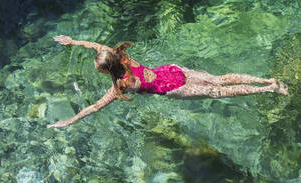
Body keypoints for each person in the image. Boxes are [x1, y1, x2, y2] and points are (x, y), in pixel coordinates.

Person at [47, 35, 288, 128]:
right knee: (219, 80)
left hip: (174, 88)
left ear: (105, 70)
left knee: (219, 92)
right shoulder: (121, 56)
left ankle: (270, 89)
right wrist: (74, 42)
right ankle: (266, 80)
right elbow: (97, 46)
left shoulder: (121, 86)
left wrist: (71, 120)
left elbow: (95, 106)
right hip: (172, 71)